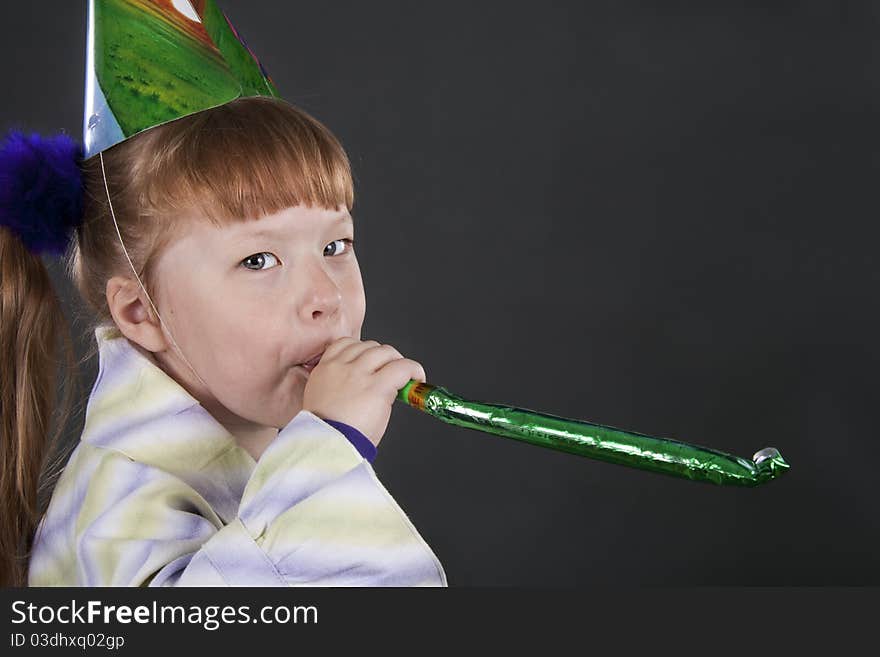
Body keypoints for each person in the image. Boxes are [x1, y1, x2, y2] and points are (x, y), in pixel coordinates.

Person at [0, 1, 446, 588]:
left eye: (336, 246)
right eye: (259, 260)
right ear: (141, 312)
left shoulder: (260, 433)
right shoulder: (113, 509)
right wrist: (329, 454)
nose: (326, 297)